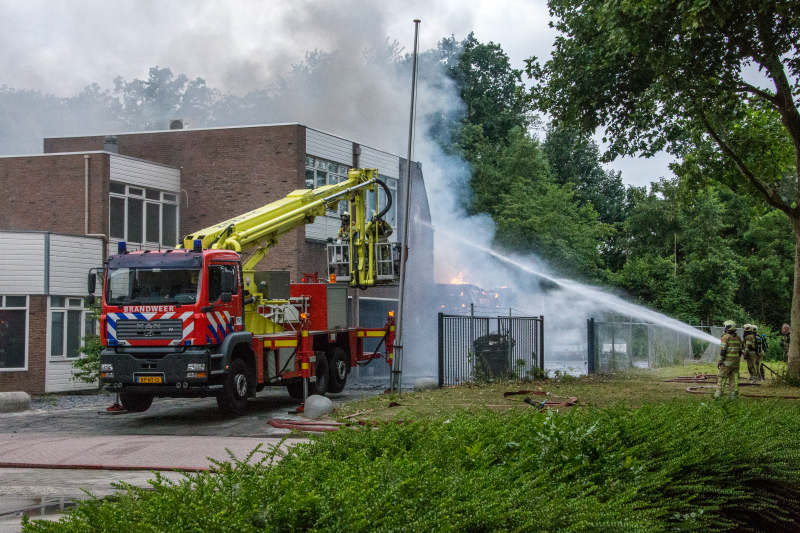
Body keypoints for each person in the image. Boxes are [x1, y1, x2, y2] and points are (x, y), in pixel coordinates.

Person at [716, 320, 742, 399]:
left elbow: (723, 351)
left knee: (721, 377)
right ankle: (733, 396)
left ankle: (718, 395)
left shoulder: (725, 337)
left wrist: (719, 361)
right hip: (736, 363)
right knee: (734, 379)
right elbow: (740, 351)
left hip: (727, 363)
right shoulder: (738, 338)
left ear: (727, 328)